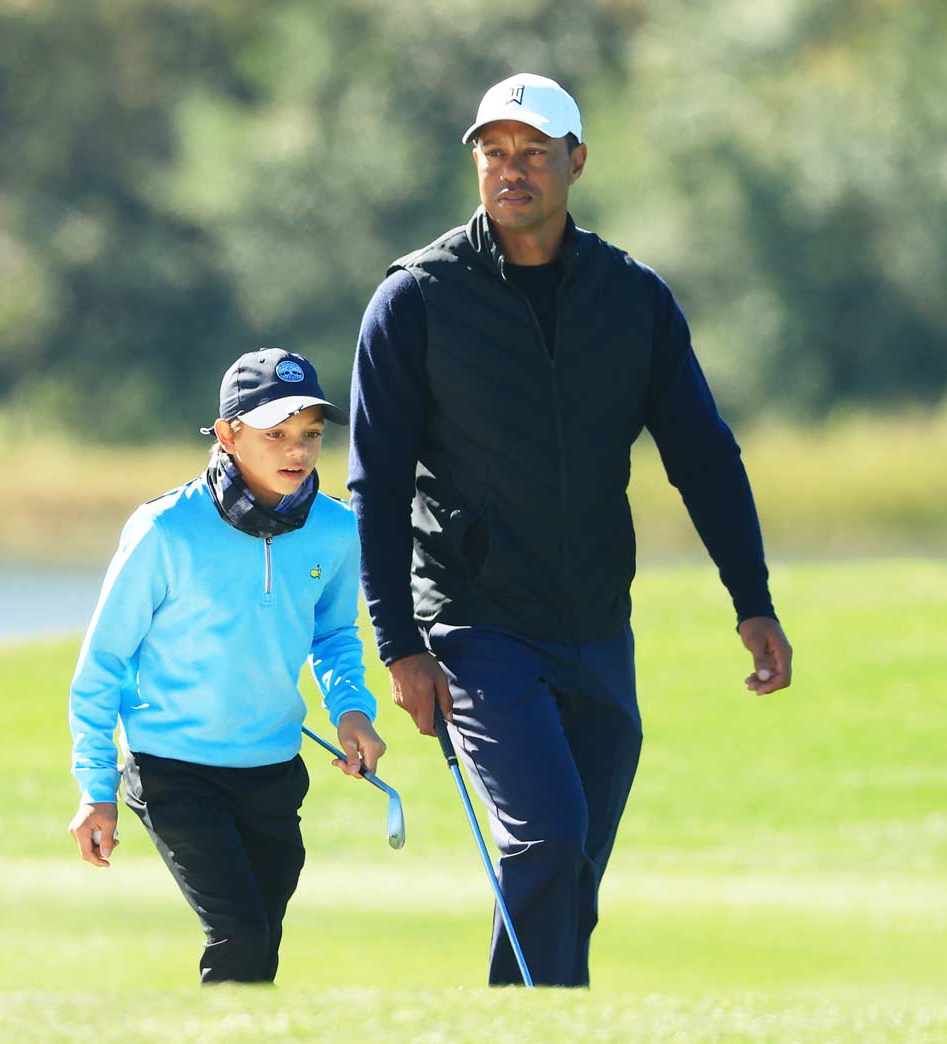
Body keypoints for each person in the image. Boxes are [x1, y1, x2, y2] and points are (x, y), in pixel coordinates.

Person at [348, 73, 795, 988]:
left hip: (595, 624)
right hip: (473, 622)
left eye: (533, 152)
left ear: (576, 162)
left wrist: (751, 599)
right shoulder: (417, 298)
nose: (510, 169)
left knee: (572, 866)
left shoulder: (632, 298)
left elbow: (704, 457)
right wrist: (399, 645)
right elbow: (377, 486)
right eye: (493, 152)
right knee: (547, 839)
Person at [67, 349, 387, 985]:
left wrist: (352, 708)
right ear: (227, 434)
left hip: (272, 769)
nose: (297, 450)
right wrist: (95, 786)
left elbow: (333, 634)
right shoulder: (164, 529)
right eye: (276, 434)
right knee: (239, 934)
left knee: (261, 943)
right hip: (172, 769)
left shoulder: (334, 528)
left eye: (310, 434)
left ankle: (239, 1025)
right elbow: (103, 663)